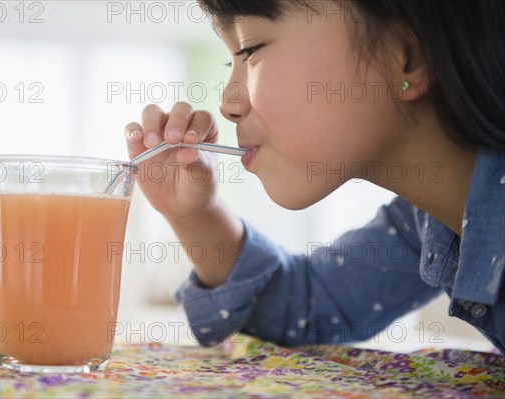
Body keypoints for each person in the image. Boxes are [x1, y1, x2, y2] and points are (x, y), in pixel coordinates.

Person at [123, 0, 505, 353]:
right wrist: (195, 216)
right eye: (230, 63)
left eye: (251, 51)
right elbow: (303, 308)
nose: (228, 104)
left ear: (406, 56)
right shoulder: (425, 225)